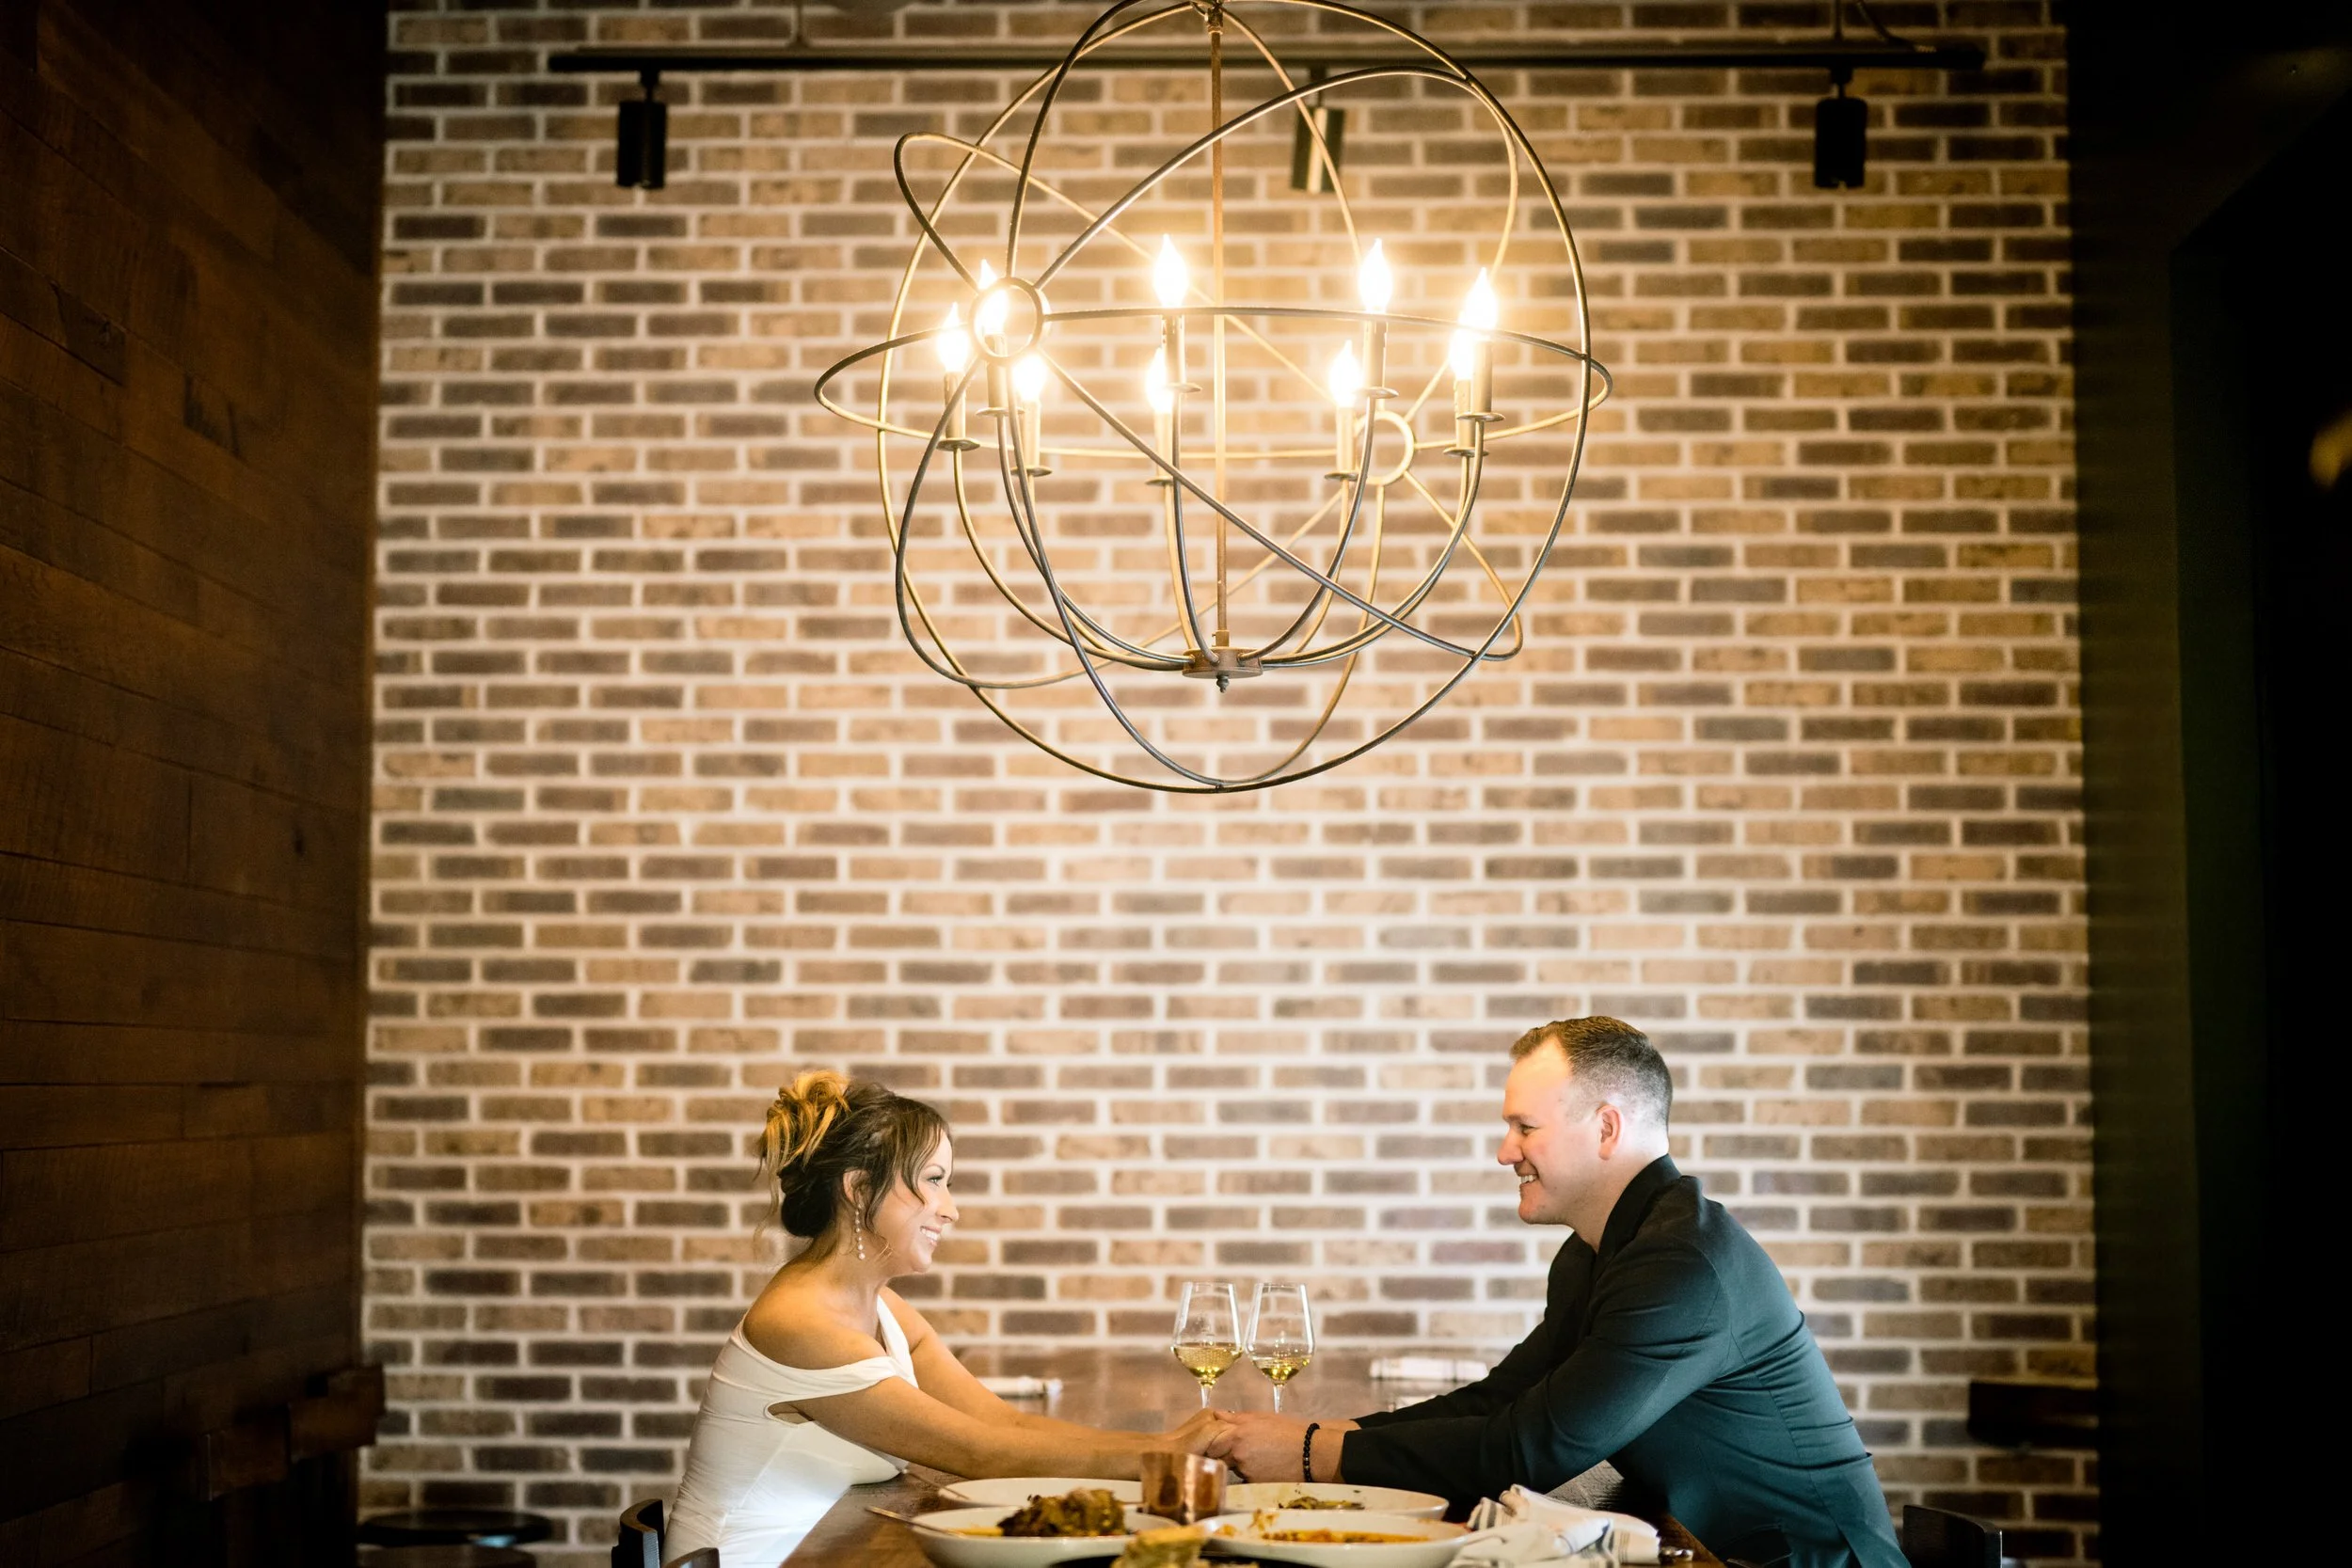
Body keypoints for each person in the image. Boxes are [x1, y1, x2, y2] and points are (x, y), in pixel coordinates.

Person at [1212, 1018, 1907, 1568]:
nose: (1504, 1150)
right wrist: (1319, 1439)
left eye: (1525, 1127)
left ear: (1606, 1128)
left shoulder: (1680, 1263)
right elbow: (1499, 1401)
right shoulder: (1600, 1250)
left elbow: (1533, 1448)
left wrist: (1308, 1452)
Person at [666, 1070, 1225, 1563]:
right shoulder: (801, 1323)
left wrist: (1170, 1446)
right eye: (934, 1181)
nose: (951, 1209)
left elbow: (1008, 1426)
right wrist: (1166, 1456)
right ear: (859, 1191)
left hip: (825, 1552)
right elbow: (982, 1455)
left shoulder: (883, 1310)